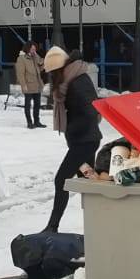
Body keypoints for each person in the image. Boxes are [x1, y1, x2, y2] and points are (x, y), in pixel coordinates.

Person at [42, 45, 101, 232]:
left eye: (52, 74)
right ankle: (96, 227)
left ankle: (52, 227)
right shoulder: (71, 79)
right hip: (82, 141)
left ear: (59, 70)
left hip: (85, 142)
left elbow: (92, 112)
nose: (51, 78)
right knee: (88, 184)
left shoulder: (78, 82)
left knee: (61, 181)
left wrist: (71, 129)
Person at [14, 40, 44, 129]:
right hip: (28, 85)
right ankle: (29, 122)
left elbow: (39, 69)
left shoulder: (35, 57)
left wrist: (43, 64)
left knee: (37, 104)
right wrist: (23, 85)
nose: (34, 50)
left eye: (35, 49)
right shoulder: (21, 59)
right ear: (28, 48)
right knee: (28, 105)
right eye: (32, 49)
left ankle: (37, 121)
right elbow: (20, 74)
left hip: (37, 84)